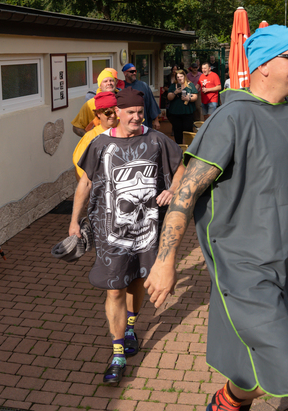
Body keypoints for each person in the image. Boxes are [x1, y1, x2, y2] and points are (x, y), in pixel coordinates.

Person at [144, 25, 288, 411]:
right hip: (246, 266)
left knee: (275, 357)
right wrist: (165, 263)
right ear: (264, 66)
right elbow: (186, 191)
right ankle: (229, 400)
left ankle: (233, 400)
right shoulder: (231, 119)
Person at [70, 87, 185, 385]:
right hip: (111, 234)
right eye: (130, 112)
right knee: (114, 289)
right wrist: (74, 221)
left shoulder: (157, 140)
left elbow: (182, 168)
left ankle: (131, 326)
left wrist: (172, 189)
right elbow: (85, 184)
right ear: (116, 113)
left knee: (136, 280)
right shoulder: (100, 144)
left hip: (147, 231)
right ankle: (118, 354)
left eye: (140, 112)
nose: (136, 117)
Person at [72, 91, 118, 180]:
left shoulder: (126, 130)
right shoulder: (90, 138)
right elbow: (80, 172)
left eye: (115, 111)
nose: (113, 115)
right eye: (108, 113)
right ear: (98, 113)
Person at [72, 69, 117, 137]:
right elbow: (76, 127)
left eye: (111, 80)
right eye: (105, 81)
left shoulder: (123, 100)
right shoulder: (90, 104)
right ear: (100, 86)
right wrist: (90, 138)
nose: (109, 83)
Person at [122, 63, 161, 130]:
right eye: (131, 71)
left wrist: (156, 120)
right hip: (127, 124)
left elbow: (151, 103)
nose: (134, 73)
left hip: (143, 123)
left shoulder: (143, 86)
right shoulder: (121, 87)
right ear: (125, 73)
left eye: (135, 71)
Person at [166, 69, 197, 145]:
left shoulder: (190, 85)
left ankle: (189, 148)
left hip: (187, 112)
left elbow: (195, 96)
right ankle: (179, 147)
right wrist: (175, 92)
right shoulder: (173, 86)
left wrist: (188, 98)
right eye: (178, 77)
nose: (179, 78)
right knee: (177, 132)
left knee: (188, 131)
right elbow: (169, 97)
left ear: (184, 76)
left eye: (181, 76)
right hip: (176, 113)